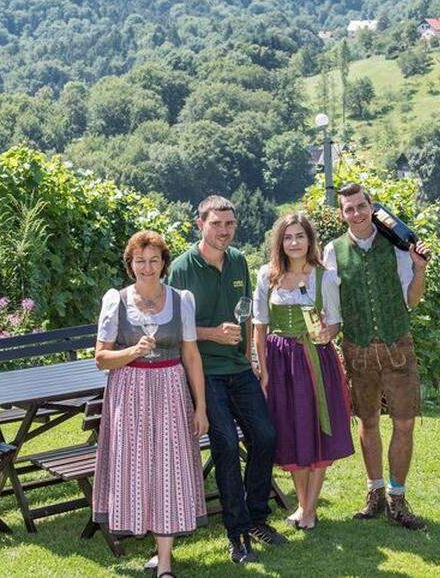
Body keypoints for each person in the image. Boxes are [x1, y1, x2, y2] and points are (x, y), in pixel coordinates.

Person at [168, 195, 286, 564]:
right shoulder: (182, 268)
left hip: (238, 368)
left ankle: (256, 518)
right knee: (224, 447)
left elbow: (247, 314)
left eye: (230, 224)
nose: (224, 230)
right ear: (199, 224)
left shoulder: (237, 260)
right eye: (216, 223)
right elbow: (173, 327)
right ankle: (237, 533)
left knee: (265, 437)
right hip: (204, 373)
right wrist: (212, 334)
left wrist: (251, 356)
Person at [92, 230, 209, 578]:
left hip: (171, 388)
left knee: (169, 467)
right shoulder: (116, 300)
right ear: (131, 265)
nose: (147, 267)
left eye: (153, 260)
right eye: (140, 261)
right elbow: (100, 358)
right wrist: (132, 352)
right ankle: (150, 541)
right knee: (139, 467)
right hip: (128, 392)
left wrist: (200, 406)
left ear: (163, 264)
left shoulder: (180, 299)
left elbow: (191, 355)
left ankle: (166, 562)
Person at [322, 183, 430, 531]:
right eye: (348, 209)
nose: (356, 213)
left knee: (405, 422)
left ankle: (398, 498)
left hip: (398, 347)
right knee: (368, 423)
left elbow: (411, 300)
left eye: (360, 206)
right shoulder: (333, 251)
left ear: (372, 207)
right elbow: (333, 309)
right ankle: (375, 493)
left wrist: (419, 268)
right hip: (358, 350)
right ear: (342, 214)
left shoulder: (397, 246)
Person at [252, 211, 353, 531]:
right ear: (279, 242)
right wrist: (263, 370)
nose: (294, 242)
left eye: (300, 236)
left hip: (315, 361)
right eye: (288, 237)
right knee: (292, 430)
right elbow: (259, 326)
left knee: (318, 430)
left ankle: (309, 509)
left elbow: (334, 321)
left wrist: (328, 334)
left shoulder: (324, 276)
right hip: (280, 361)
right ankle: (302, 504)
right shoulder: (267, 275)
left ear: (310, 240)